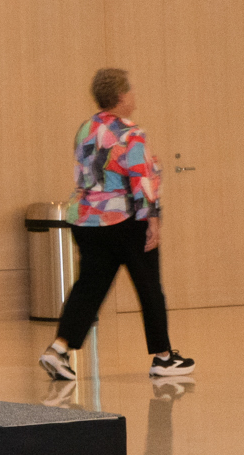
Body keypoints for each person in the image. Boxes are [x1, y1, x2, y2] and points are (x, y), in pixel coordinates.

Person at [37, 67, 199, 404]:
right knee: (148, 286)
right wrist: (152, 219)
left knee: (90, 286)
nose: (134, 96)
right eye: (132, 90)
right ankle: (164, 357)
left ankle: (59, 348)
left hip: (86, 220)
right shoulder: (130, 133)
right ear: (122, 96)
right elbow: (141, 177)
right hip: (125, 219)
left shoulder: (85, 129)